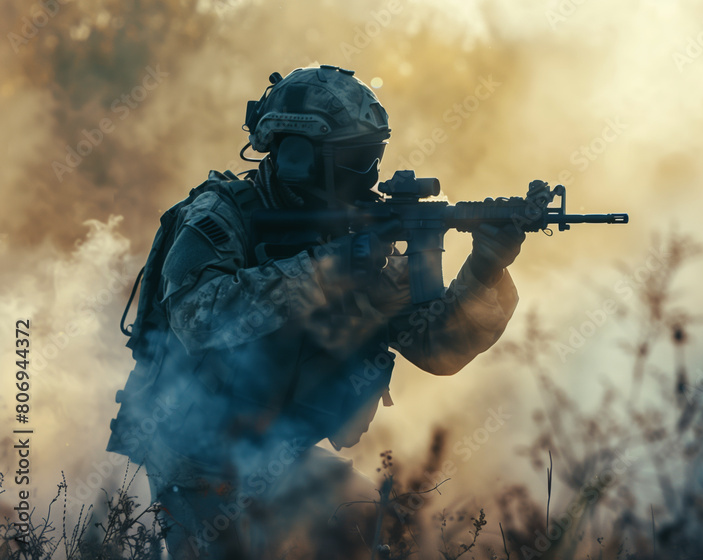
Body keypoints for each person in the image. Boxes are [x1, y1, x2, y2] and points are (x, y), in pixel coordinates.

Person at [106, 64, 524, 559]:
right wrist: (330, 270)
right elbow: (199, 317)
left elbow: (439, 348)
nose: (367, 173)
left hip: (280, 454)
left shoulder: (354, 233)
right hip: (196, 457)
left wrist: (485, 270)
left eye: (373, 155)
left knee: (375, 536)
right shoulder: (222, 215)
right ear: (300, 155)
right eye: (355, 158)